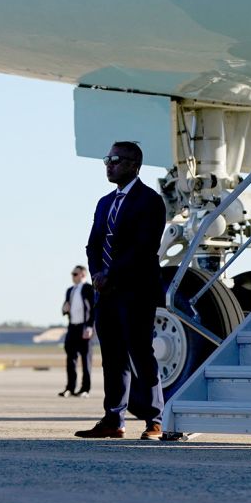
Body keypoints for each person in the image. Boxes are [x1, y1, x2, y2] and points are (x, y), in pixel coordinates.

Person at [75, 142, 167, 440]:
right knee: (113, 358)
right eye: (107, 159)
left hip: (135, 291)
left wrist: (111, 274)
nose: (108, 164)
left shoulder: (150, 201)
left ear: (133, 165)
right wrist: (97, 274)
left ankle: (156, 419)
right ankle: (113, 419)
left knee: (141, 353)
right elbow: (93, 245)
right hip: (107, 293)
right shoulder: (105, 202)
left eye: (115, 160)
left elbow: (144, 247)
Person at [60, 265, 95, 397]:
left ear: (82, 275)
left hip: (84, 327)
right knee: (70, 359)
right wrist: (64, 309)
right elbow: (64, 308)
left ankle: (85, 389)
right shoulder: (70, 290)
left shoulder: (88, 289)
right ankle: (70, 387)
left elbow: (93, 309)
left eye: (75, 274)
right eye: (72, 274)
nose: (73, 276)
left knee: (86, 360)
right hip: (72, 327)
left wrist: (90, 327)